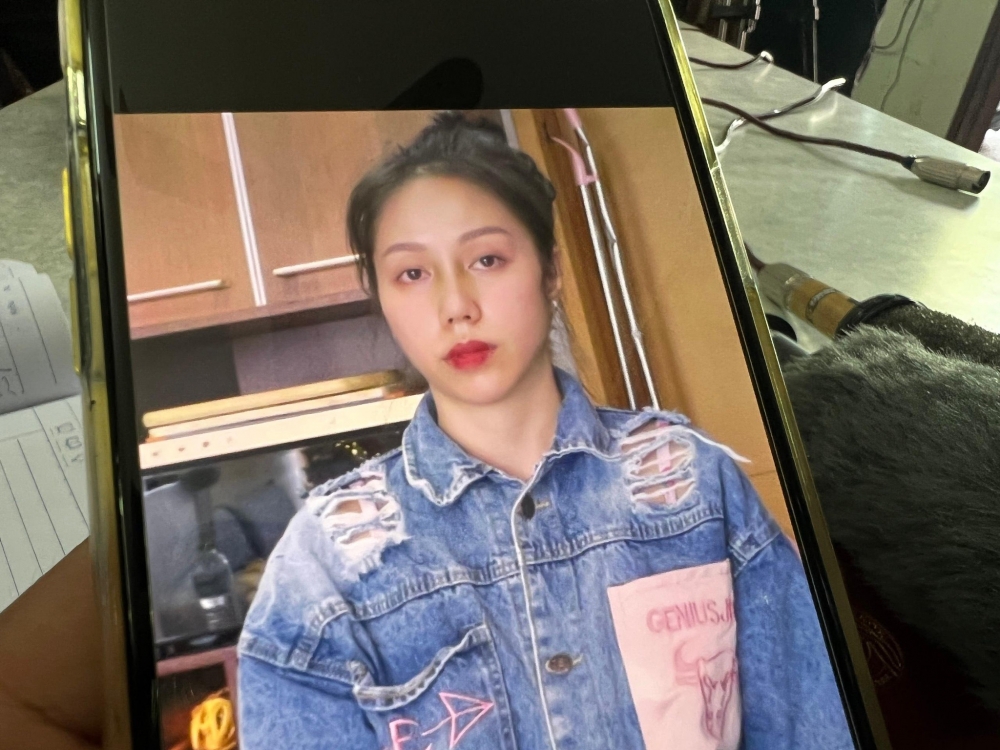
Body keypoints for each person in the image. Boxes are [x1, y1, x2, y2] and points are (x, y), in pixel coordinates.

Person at [237, 112, 854, 750]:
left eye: (486, 259)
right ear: (382, 299)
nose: (456, 306)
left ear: (550, 271)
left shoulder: (692, 485)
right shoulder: (325, 567)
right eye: (412, 274)